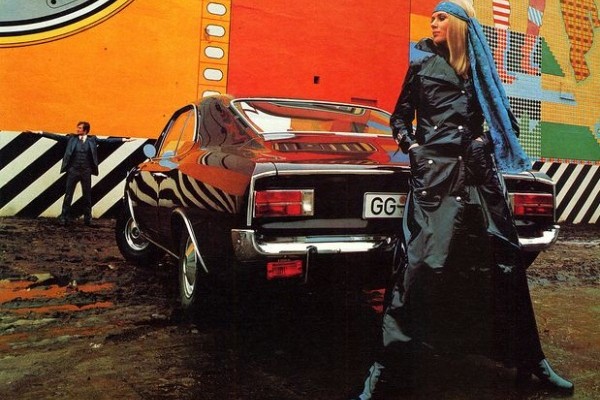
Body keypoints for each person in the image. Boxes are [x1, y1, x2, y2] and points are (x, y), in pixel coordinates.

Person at [350, 0, 574, 398]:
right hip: (434, 178)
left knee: (505, 263)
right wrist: (413, 148)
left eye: (441, 18)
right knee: (418, 267)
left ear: (459, 24)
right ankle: (385, 368)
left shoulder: (480, 69)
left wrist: (483, 142)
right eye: (433, 17)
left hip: (479, 179)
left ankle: (531, 360)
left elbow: (505, 119)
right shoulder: (422, 65)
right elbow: (400, 117)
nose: (433, 23)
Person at [27, 122, 132, 226]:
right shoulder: (71, 138)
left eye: (80, 128)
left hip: (86, 171)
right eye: (78, 128)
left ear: (85, 130)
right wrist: (40, 132)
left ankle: (88, 219)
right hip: (73, 170)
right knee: (68, 195)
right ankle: (63, 217)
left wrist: (123, 140)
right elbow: (56, 137)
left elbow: (107, 141)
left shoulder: (92, 139)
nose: (77, 129)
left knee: (87, 196)